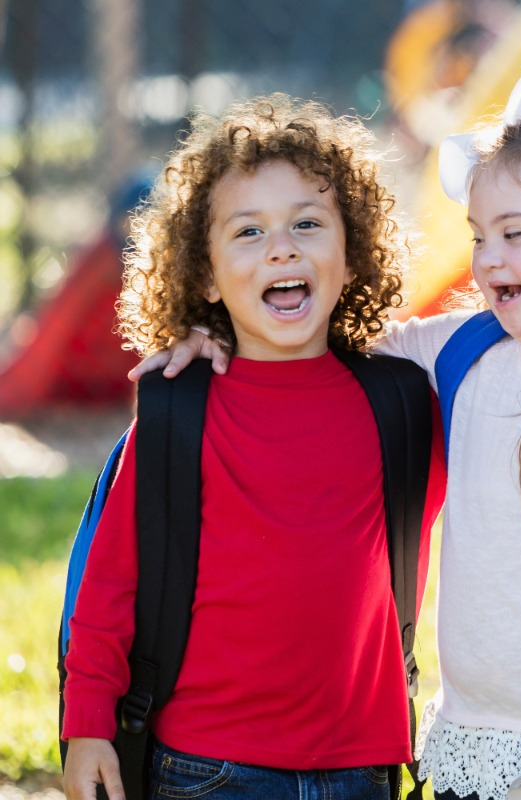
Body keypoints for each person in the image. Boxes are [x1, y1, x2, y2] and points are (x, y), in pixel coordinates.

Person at [134, 63, 521, 800]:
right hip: (478, 751)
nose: (487, 260)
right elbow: (309, 336)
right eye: (479, 236)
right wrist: (214, 326)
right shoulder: (463, 352)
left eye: (514, 233)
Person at [63, 94, 445, 800]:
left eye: (307, 223)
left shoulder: (403, 402)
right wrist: (87, 726)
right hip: (207, 768)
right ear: (205, 275)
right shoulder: (181, 410)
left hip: (363, 768)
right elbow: (110, 588)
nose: (282, 247)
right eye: (248, 232)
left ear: (352, 255)